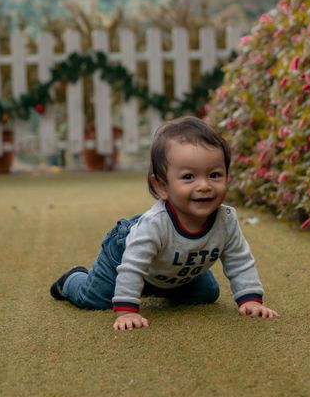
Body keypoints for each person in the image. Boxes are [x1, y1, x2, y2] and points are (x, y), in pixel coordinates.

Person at [50, 116, 278, 331]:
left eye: (214, 175)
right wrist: (127, 311)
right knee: (94, 299)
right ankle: (72, 279)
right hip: (124, 256)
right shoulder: (155, 224)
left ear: (227, 177)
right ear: (162, 186)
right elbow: (132, 266)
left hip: (173, 269)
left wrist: (250, 300)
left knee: (207, 294)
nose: (204, 186)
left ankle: (154, 287)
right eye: (189, 177)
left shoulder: (226, 220)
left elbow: (239, 259)